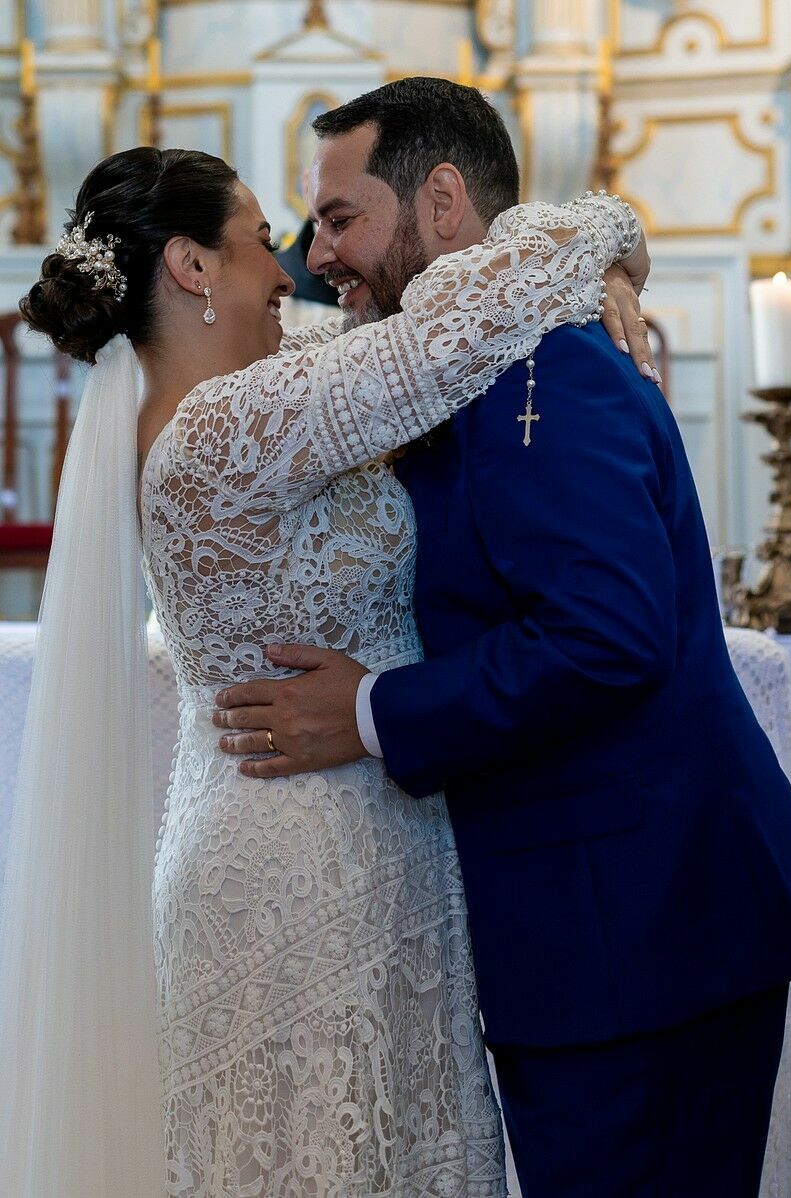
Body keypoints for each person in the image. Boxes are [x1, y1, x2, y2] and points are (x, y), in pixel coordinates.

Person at [0, 139, 647, 1197]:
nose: (290, 268)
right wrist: (608, 237)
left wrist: (585, 268)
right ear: (191, 267)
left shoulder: (229, 399)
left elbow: (394, 330)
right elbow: (449, 329)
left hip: (336, 827)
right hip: (301, 867)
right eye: (261, 242)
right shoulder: (225, 427)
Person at [216, 78, 791, 1198]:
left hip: (637, 924)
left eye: (339, 218)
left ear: (441, 200)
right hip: (592, 926)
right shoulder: (455, 369)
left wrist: (373, 709)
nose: (314, 255)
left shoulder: (542, 368)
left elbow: (603, 633)